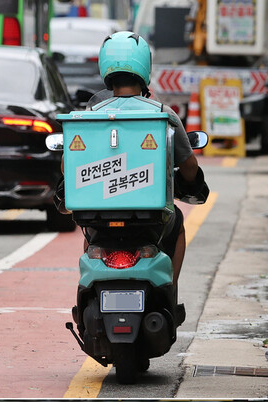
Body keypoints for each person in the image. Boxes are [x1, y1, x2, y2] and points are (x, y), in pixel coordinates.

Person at [94, 31, 205, 285]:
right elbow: (189, 168)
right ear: (145, 67)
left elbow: (70, 168)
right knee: (176, 223)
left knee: (89, 235)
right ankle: (170, 291)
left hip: (100, 214)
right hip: (150, 216)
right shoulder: (163, 114)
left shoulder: (91, 115)